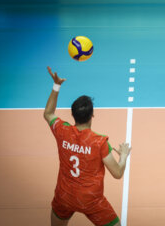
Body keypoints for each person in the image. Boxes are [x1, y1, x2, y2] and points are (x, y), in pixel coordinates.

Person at [44, 66, 130, 226]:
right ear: (92, 115)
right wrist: (124, 155)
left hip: (64, 196)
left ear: (73, 115)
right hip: (91, 201)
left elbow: (48, 113)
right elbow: (117, 173)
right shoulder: (100, 142)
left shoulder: (62, 131)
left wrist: (56, 85)